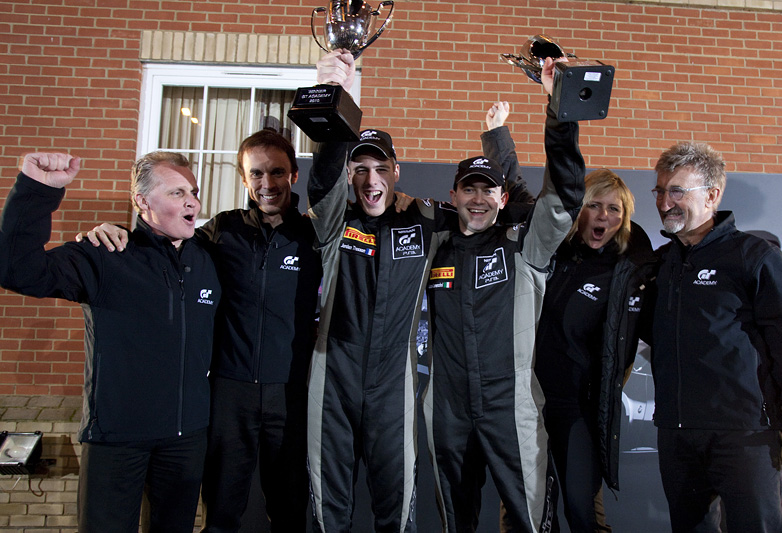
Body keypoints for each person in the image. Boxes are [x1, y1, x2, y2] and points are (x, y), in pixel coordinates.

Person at [80, 130, 322, 532]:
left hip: (291, 393)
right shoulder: (223, 230)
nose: (267, 183)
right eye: (256, 173)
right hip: (229, 394)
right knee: (222, 509)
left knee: (290, 510)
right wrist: (115, 231)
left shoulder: (313, 237)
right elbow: (165, 245)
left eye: (277, 172)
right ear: (243, 179)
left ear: (294, 175)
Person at [0, 152, 221, 532]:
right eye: (177, 193)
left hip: (186, 439)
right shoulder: (106, 254)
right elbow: (17, 270)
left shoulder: (207, 260)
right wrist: (37, 191)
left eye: (194, 192)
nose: (192, 203)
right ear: (142, 201)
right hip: (117, 439)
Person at [423, 57, 586, 532]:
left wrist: (559, 112)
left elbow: (564, 196)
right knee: (456, 520)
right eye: (468, 189)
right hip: (448, 405)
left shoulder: (524, 247)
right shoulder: (430, 249)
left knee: (529, 520)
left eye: (488, 190)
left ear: (503, 198)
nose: (478, 199)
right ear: (453, 195)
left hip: (509, 404)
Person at [306, 50, 454, 532]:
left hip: (396, 380)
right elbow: (322, 180)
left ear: (396, 171)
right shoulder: (334, 221)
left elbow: (488, 217)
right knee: (330, 507)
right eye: (360, 169)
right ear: (350, 174)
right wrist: (335, 98)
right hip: (334, 375)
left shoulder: (425, 219)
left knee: (397, 504)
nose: (372, 180)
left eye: (381, 168)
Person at [649, 141, 782, 532]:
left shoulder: (754, 256)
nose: (665, 202)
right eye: (660, 191)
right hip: (677, 435)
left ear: (712, 195)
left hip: (745, 434)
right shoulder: (662, 263)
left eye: (677, 191)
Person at [532, 169, 655, 532]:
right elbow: (518, 197)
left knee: (581, 511)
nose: (604, 215)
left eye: (614, 209)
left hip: (578, 408)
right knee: (530, 512)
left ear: (625, 218)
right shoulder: (553, 250)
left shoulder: (629, 272)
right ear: (578, 210)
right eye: (595, 205)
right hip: (528, 403)